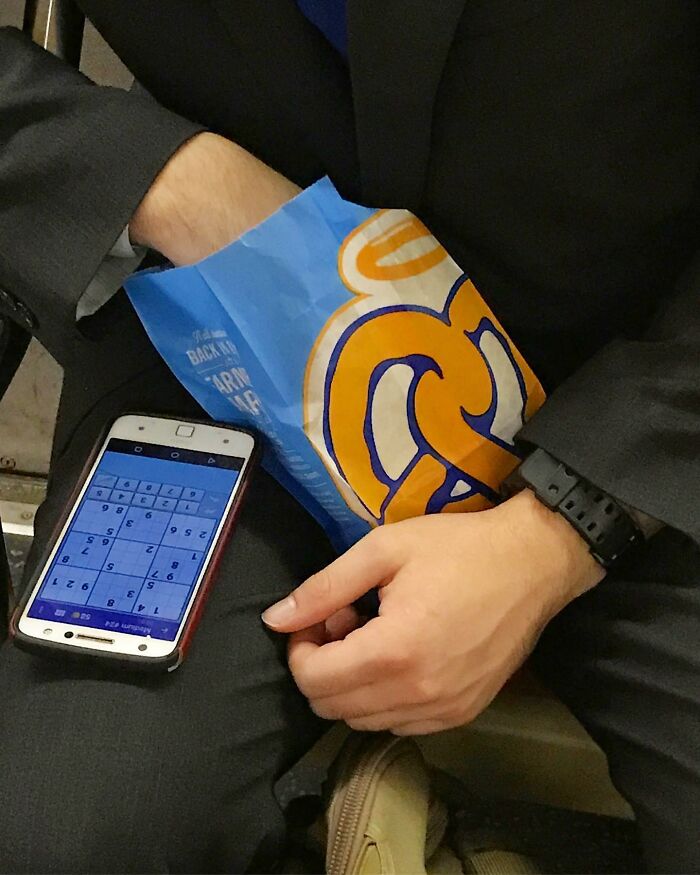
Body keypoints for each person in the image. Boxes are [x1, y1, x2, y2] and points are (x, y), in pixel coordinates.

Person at [0, 2, 698, 871]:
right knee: (71, 831)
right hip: (224, 332)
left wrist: (562, 530)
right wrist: (157, 175)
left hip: (647, 381)